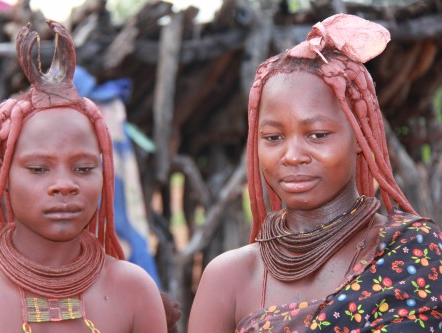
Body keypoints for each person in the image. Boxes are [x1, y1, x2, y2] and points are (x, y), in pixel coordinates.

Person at [189, 13, 441, 333]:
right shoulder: (228, 277)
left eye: (317, 135)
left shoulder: (410, 251)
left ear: (360, 139)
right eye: (273, 138)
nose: (292, 156)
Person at [0, 20, 168, 332]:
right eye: (38, 169)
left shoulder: (134, 290)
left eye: (84, 168)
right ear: (3, 175)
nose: (64, 185)